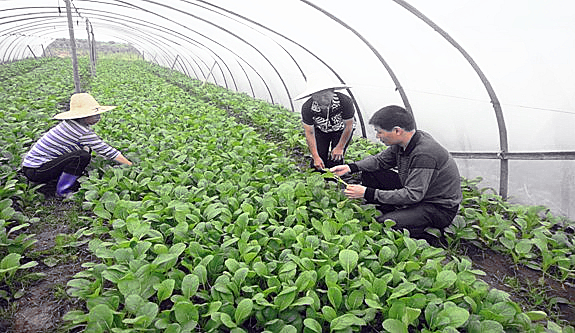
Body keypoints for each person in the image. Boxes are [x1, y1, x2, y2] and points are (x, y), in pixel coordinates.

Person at [330, 105, 462, 237]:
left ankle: (423, 233)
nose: (377, 136)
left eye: (380, 132)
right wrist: (350, 167)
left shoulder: (425, 154)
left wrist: (367, 193)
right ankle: (392, 210)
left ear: (397, 131)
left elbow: (413, 195)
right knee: (371, 172)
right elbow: (380, 161)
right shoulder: (405, 142)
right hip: (419, 192)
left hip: (438, 207)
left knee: (384, 224)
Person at [21, 93, 132, 198]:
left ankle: (62, 178)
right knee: (82, 156)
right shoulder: (80, 131)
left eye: (98, 114)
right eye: (93, 114)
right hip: (36, 170)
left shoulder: (70, 124)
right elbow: (107, 151)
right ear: (83, 116)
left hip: (33, 167)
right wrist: (129, 164)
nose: (98, 117)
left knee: (85, 149)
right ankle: (63, 191)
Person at [294, 73, 355, 170]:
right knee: (318, 162)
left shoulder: (344, 101)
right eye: (317, 97)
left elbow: (349, 126)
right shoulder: (308, 107)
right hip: (321, 131)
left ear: (332, 91)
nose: (322, 100)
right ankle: (320, 180)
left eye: (326, 95)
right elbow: (309, 132)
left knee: (336, 159)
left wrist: (340, 147)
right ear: (312, 96)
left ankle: (335, 181)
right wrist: (315, 156)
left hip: (340, 130)